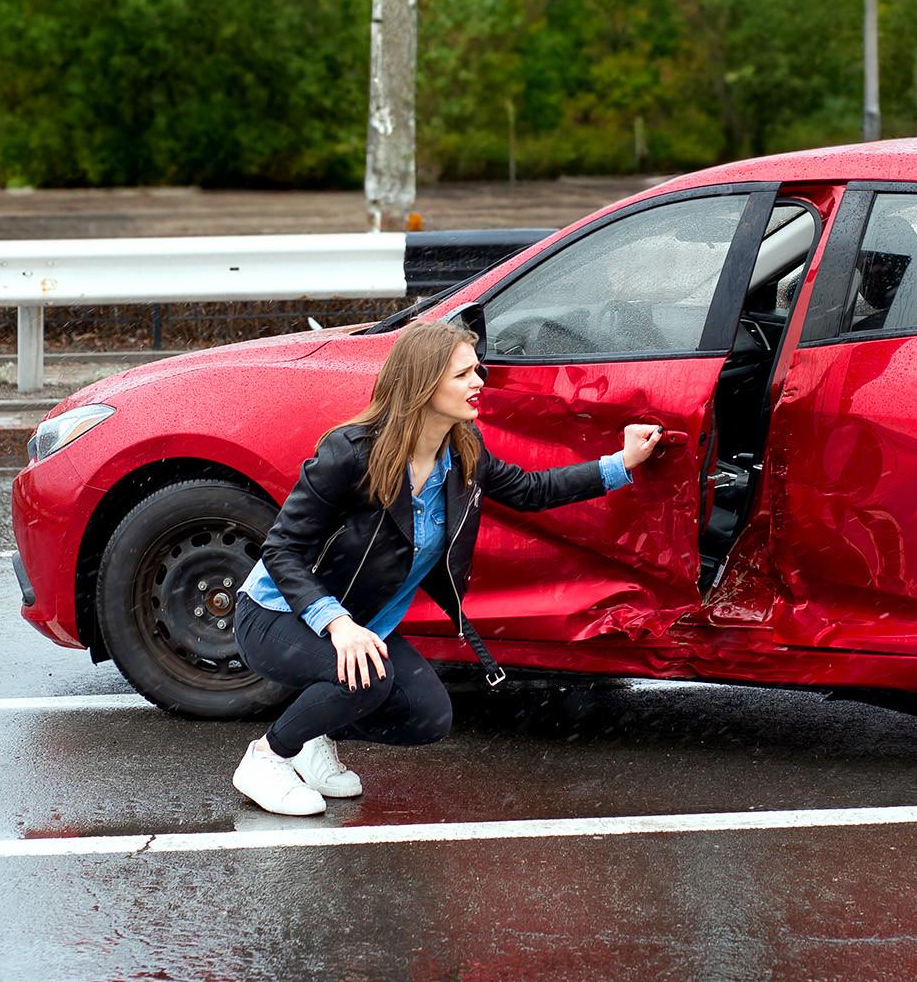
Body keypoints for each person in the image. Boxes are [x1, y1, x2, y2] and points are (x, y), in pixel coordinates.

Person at [229, 320, 662, 816]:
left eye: (477, 371)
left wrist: (622, 462)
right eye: (462, 375)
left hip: (361, 625)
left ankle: (311, 735)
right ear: (423, 385)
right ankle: (266, 757)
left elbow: (532, 490)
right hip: (277, 615)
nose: (478, 382)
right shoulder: (350, 454)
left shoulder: (463, 452)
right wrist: (337, 623)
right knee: (369, 679)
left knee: (426, 715)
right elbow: (281, 549)